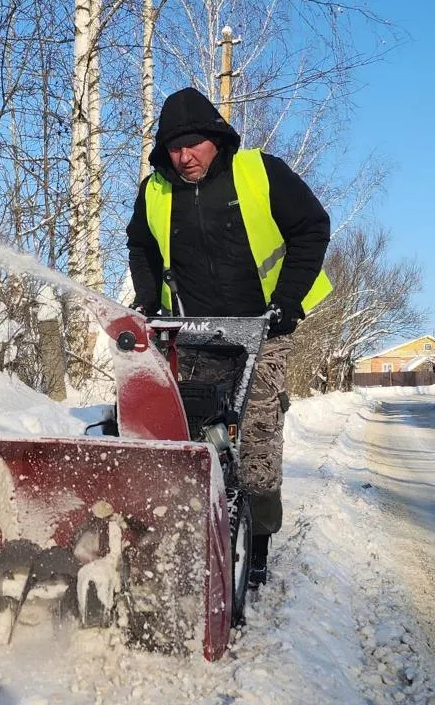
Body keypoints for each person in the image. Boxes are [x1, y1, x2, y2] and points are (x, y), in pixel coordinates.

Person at [126, 86, 332, 587]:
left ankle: (256, 542)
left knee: (256, 434)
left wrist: (288, 301)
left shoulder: (260, 172)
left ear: (216, 139)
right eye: (174, 148)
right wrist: (148, 301)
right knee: (190, 432)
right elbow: (141, 246)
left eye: (193, 144)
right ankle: (183, 529)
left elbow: (312, 227)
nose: (184, 156)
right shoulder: (155, 191)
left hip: (263, 327)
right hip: (193, 332)